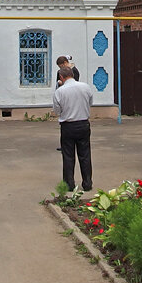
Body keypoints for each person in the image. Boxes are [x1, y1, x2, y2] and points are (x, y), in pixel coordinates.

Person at [52, 65, 93, 193]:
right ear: (73, 75)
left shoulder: (60, 91)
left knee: (68, 156)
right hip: (83, 124)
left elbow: (57, 110)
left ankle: (69, 184)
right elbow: (90, 103)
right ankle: (87, 183)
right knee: (85, 155)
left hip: (68, 126)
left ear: (61, 77)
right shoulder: (86, 87)